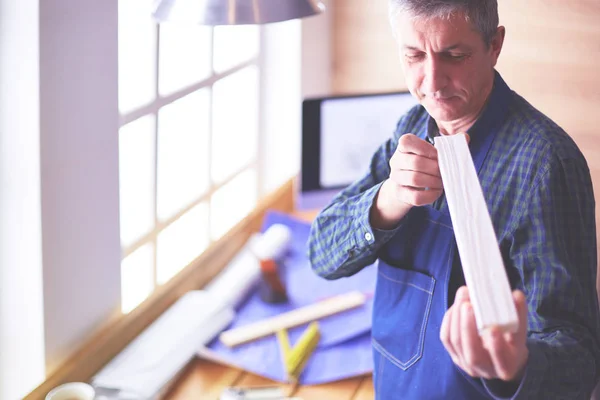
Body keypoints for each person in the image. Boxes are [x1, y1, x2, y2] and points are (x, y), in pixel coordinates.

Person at [307, 0, 600, 399]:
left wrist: (515, 366)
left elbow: (580, 357)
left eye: (455, 56)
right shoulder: (410, 126)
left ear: (494, 45)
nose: (432, 82)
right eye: (413, 55)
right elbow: (321, 254)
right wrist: (387, 199)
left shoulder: (546, 165)